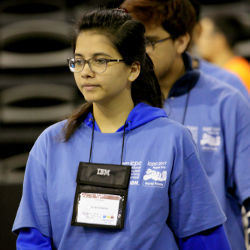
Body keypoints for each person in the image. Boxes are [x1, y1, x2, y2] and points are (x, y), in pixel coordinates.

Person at [12, 8, 230, 250]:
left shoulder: (171, 140)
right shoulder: (51, 142)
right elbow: (33, 239)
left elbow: (202, 237)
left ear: (133, 69)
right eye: (79, 61)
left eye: (100, 61)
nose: (86, 71)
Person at [121, 1, 250, 249]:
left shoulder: (227, 99)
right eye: (133, 43)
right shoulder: (117, 102)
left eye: (149, 42)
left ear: (181, 41)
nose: (139, 53)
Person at [189, 0, 249, 99]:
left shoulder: (238, 72)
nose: (197, 42)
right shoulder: (220, 70)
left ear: (219, 39)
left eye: (201, 35)